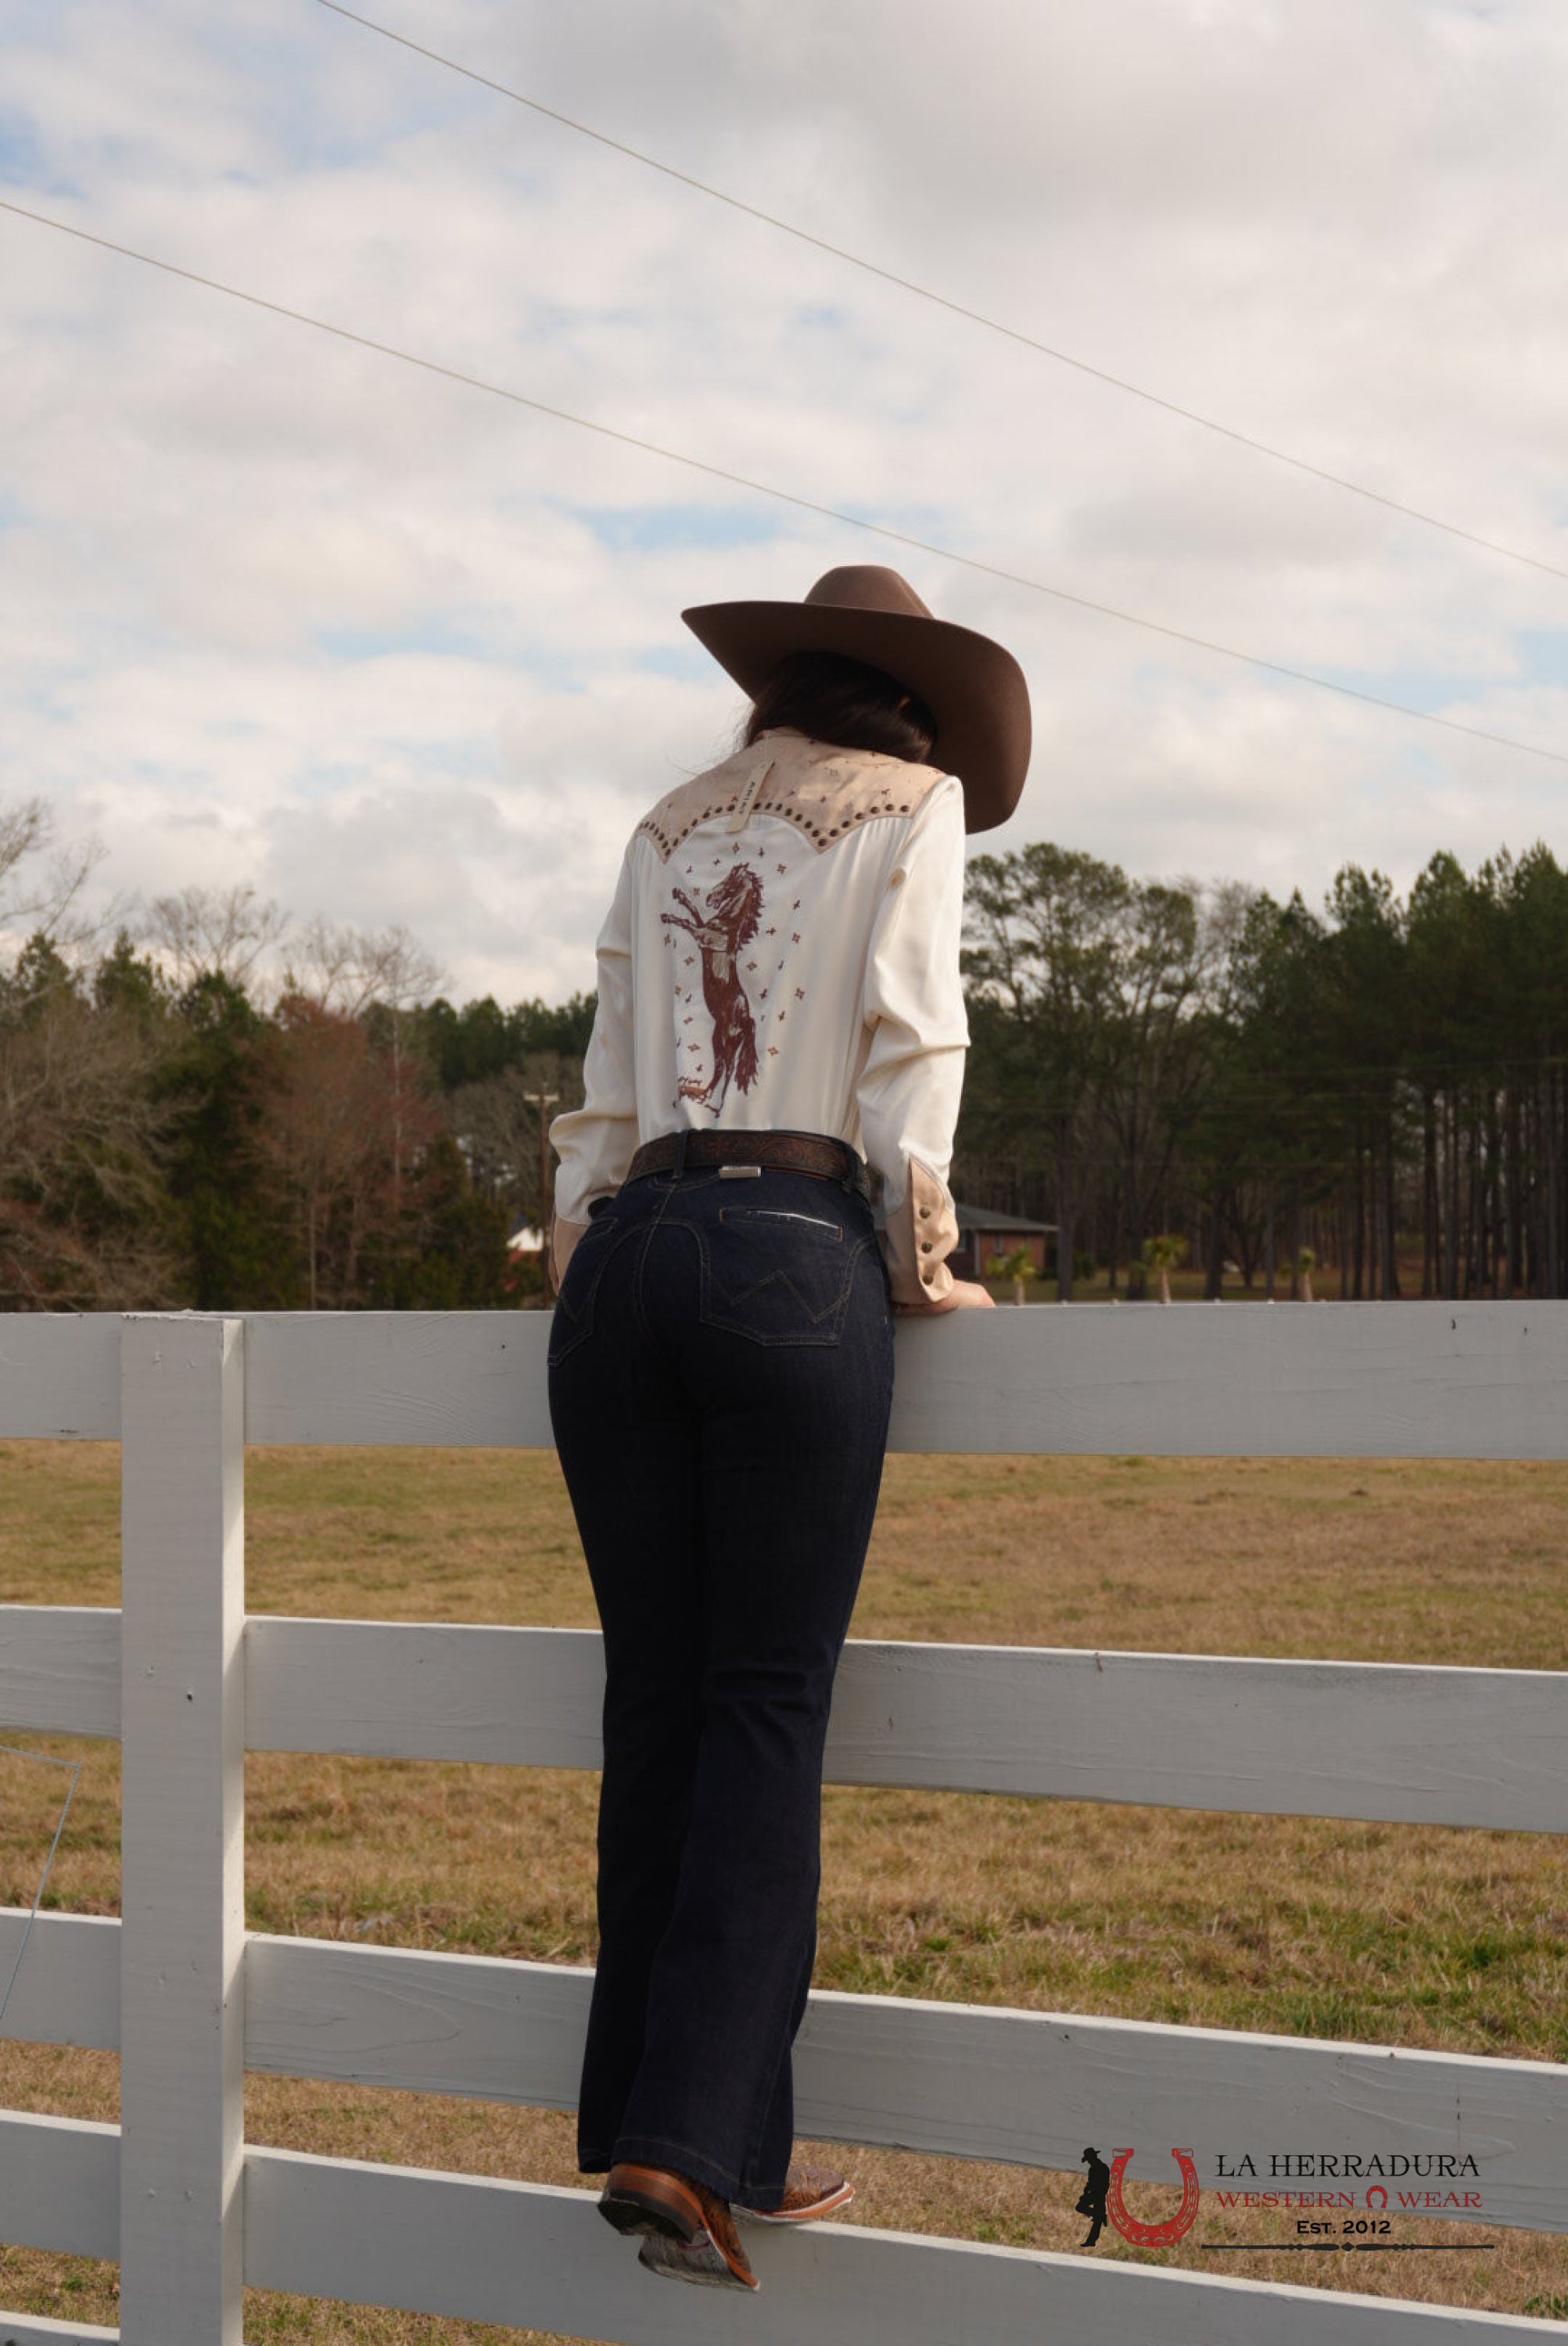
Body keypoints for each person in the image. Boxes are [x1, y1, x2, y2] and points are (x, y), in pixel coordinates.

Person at [546, 562, 1031, 2291]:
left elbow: (607, 1088)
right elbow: (915, 1040)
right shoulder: (916, 805)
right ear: (914, 703)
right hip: (789, 1250)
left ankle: (662, 2130)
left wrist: (586, 1257)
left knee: (657, 1708)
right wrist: (924, 1255)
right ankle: (689, 2143)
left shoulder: (668, 821)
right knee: (762, 1707)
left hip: (622, 1264)